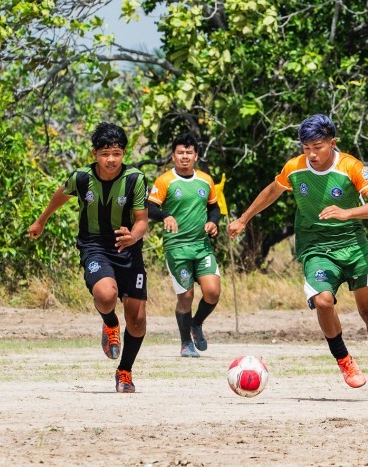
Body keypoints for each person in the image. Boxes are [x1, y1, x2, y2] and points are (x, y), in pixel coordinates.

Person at [227, 114, 368, 401]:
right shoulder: (295, 167)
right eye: (306, 148)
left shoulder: (350, 166)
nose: (312, 154)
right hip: (316, 247)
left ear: (332, 142)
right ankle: (344, 359)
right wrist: (244, 218)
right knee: (322, 301)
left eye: (318, 147)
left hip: (353, 246)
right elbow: (272, 190)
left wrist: (346, 213)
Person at [27, 122, 149, 394]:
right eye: (105, 154)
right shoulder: (81, 178)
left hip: (128, 249)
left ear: (124, 153)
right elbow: (61, 194)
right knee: (105, 295)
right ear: (95, 154)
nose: (111, 159)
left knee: (138, 320)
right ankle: (110, 324)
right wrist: (41, 220)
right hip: (94, 245)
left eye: (116, 153)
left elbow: (142, 221)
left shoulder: (135, 179)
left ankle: (125, 371)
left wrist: (134, 237)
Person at [147, 133, 223, 358]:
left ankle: (196, 324)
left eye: (189, 153)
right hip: (177, 247)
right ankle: (185, 343)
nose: (185, 157)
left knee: (213, 292)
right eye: (180, 152)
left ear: (196, 156)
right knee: (186, 296)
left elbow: (214, 208)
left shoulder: (205, 180)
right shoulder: (164, 181)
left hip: (202, 246)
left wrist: (213, 222)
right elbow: (150, 208)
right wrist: (165, 216)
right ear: (173, 156)